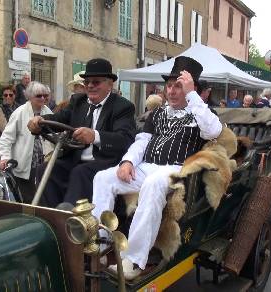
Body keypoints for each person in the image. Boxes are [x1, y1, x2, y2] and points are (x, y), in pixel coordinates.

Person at [91, 56, 222, 279]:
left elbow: (213, 131)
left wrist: (192, 96)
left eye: (178, 86)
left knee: (153, 184)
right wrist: (128, 161)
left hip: (177, 170)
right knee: (102, 178)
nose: (171, 91)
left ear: (192, 88)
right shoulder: (158, 113)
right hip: (147, 166)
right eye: (169, 86)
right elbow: (142, 140)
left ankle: (134, 259)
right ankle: (100, 247)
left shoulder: (202, 113)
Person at [28, 58, 136, 207]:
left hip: (105, 162)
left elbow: (125, 139)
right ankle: (51, 216)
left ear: (110, 84)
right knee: (45, 169)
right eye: (87, 82)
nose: (90, 86)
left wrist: (95, 136)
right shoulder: (78, 102)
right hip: (75, 159)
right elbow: (59, 118)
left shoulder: (123, 107)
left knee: (80, 172)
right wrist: (39, 122)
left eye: (96, 82)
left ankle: (71, 219)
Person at [0, 82, 54, 203]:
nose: (43, 98)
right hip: (25, 164)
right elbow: (6, 138)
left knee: (43, 196)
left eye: (45, 96)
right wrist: (5, 157)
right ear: (29, 96)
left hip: (44, 162)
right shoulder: (20, 112)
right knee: (28, 198)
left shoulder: (48, 111)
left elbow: (54, 135)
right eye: (39, 96)